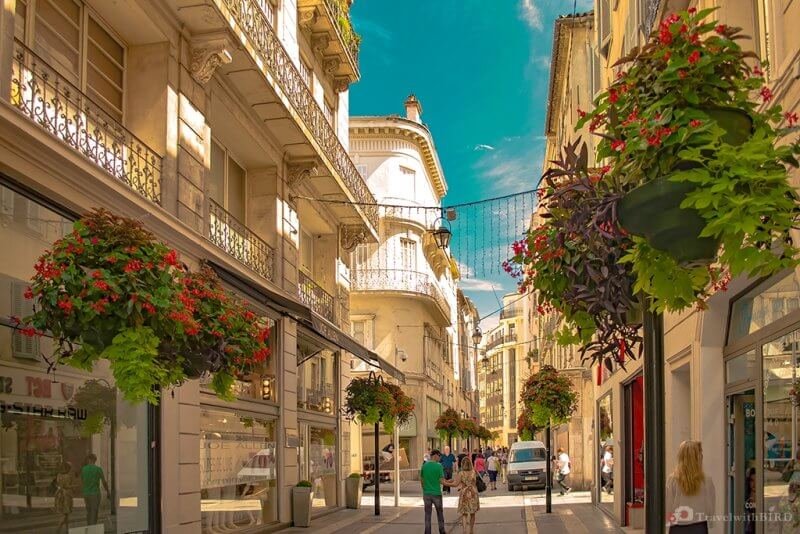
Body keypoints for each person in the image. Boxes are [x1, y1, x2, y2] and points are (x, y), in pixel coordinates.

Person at [665, 441, 715, 533]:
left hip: (678, 527)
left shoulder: (672, 480)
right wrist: (710, 522)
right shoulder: (706, 480)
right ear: (698, 458)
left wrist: (669, 524)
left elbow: (668, 505)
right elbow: (710, 506)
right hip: (699, 526)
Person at [443, 456, 480, 534]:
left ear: (462, 464)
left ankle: (464, 530)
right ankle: (471, 530)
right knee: (472, 513)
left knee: (464, 513)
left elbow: (456, 484)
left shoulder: (461, 473)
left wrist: (445, 483)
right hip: (473, 492)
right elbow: (474, 482)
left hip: (465, 493)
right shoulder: (474, 472)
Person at [420, 450, 446, 534]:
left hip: (426, 494)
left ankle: (427, 532)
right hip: (436, 493)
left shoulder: (424, 466)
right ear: (435, 456)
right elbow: (441, 481)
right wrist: (451, 483)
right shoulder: (439, 466)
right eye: (439, 456)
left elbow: (422, 480)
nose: (440, 458)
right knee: (440, 513)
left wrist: (424, 489)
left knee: (427, 514)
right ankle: (442, 531)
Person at [81, 453, 110, 526]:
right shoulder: (98, 469)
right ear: (95, 460)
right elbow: (104, 482)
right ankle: (93, 528)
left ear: (88, 460)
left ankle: (89, 526)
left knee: (89, 511)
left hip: (86, 493)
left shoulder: (83, 469)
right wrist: (108, 491)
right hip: (95, 493)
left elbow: (82, 481)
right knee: (94, 512)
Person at [53, 462, 73, 534]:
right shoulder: (67, 476)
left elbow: (59, 485)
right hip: (66, 495)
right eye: (70, 468)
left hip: (60, 495)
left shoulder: (59, 475)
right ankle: (57, 531)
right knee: (65, 515)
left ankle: (67, 530)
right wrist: (74, 486)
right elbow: (66, 486)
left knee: (66, 514)